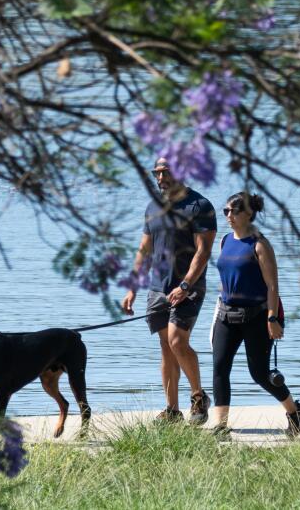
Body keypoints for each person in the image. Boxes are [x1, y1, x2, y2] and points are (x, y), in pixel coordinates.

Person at [121, 157, 216, 424]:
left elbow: (204, 251)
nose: (161, 178)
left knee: (177, 341)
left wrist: (185, 285)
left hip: (189, 287)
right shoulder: (153, 207)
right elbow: (144, 250)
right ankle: (172, 410)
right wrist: (132, 289)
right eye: (157, 173)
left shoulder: (200, 206)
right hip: (157, 288)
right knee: (166, 347)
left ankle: (198, 397)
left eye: (166, 172)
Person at [209, 191, 300, 437]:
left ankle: (294, 411)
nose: (228, 216)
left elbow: (273, 285)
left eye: (233, 211)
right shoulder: (225, 240)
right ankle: (220, 425)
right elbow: (228, 276)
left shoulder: (260, 244)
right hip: (226, 315)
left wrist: (272, 319)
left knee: (260, 374)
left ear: (248, 214)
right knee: (220, 367)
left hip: (257, 317)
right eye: (226, 211)